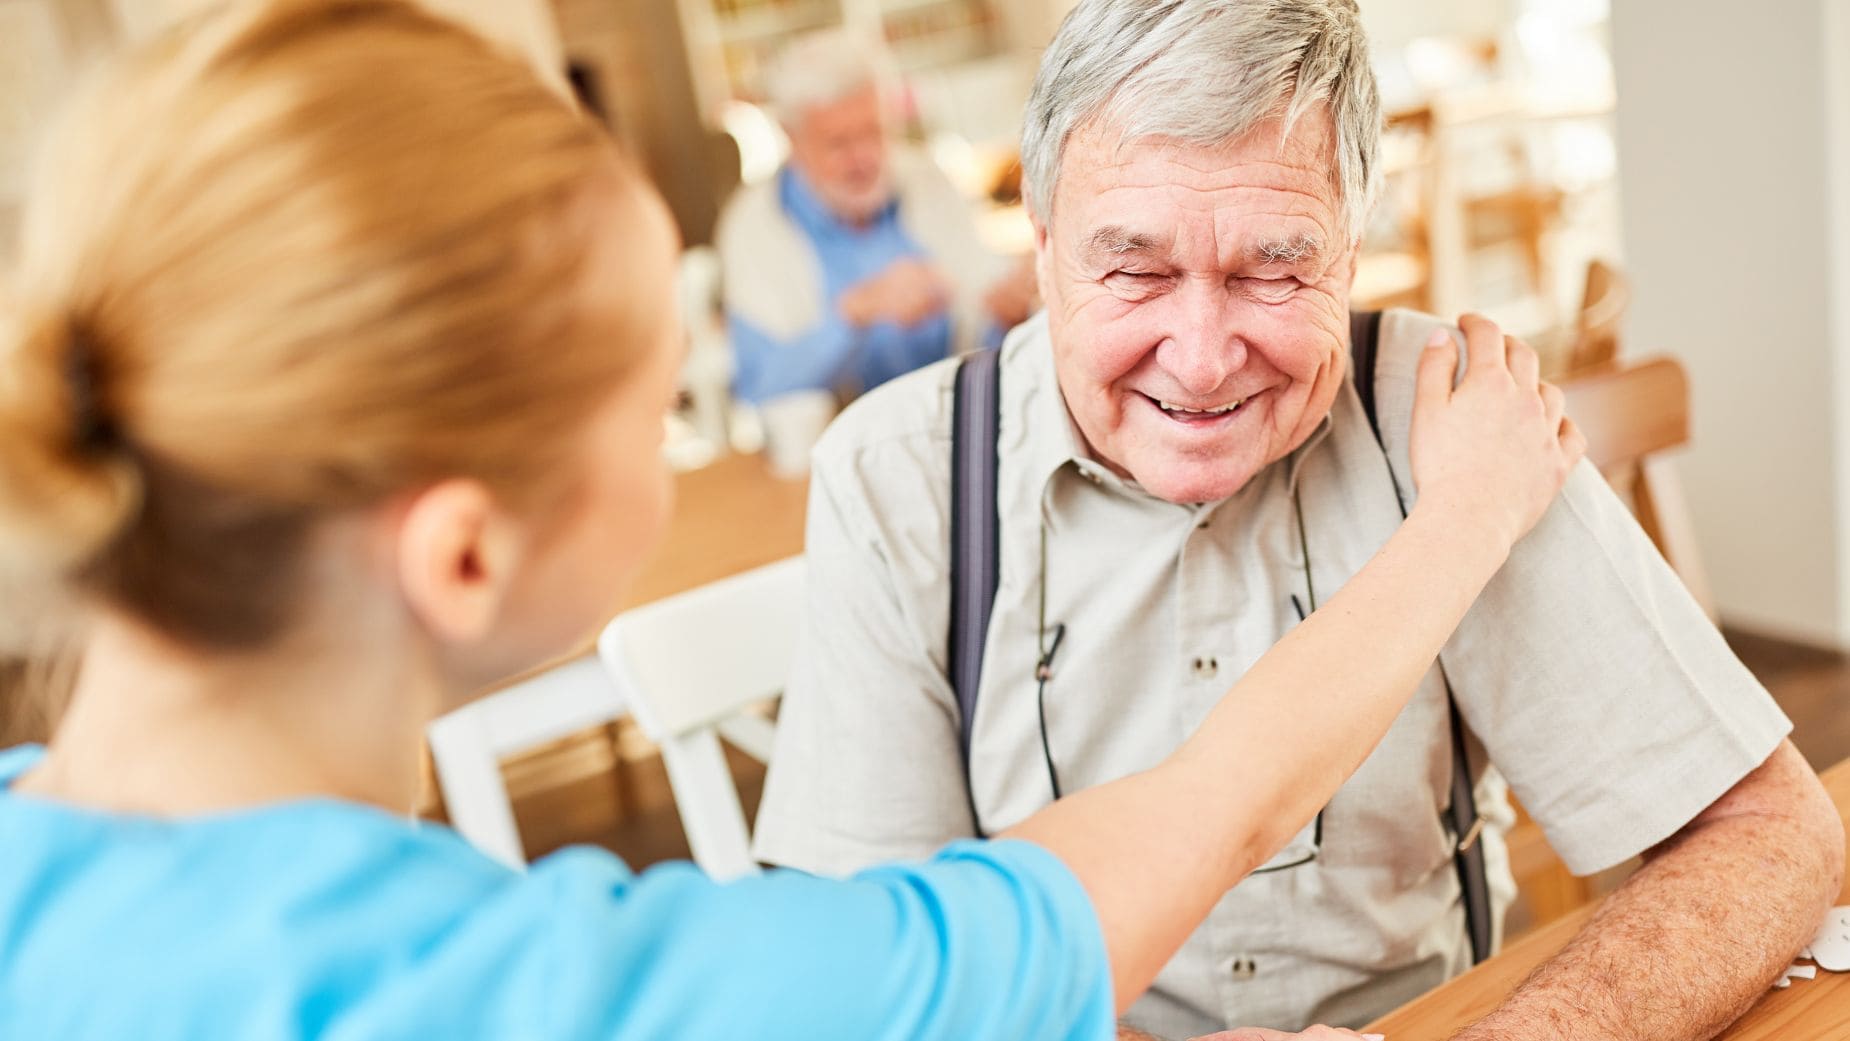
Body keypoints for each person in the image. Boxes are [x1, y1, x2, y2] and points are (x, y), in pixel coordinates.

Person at [0, 3, 1583, 1039]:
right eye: (656, 387)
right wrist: (1460, 521)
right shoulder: (593, 1000)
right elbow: (1197, 827)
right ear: (465, 555)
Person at [751, 2, 1846, 1039]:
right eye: (1132, 268)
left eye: (1272, 272)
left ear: (1349, 253)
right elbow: (863, 987)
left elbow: (1767, 833)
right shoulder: (900, 477)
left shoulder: (1459, 420)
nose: (1199, 356)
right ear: (1039, 247)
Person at [715, 28, 1033, 471]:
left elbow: (981, 333)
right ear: (791, 136)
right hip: (838, 466)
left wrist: (1007, 312)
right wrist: (854, 314)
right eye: (839, 143)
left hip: (955, 443)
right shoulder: (755, 226)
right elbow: (761, 387)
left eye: (873, 133)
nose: (863, 156)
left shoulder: (928, 182)